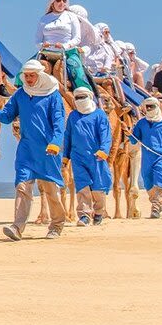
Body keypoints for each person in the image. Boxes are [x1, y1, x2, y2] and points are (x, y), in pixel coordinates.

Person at [0, 59, 66, 240]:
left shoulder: (53, 96)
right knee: (22, 186)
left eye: (32, 76)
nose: (29, 79)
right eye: (26, 76)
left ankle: (56, 225)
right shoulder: (20, 94)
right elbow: (7, 116)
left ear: (39, 75)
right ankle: (17, 227)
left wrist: (56, 142)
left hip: (48, 150)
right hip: (26, 149)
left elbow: (58, 123)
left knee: (50, 189)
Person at [62, 87, 112, 226]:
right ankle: (84, 215)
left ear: (89, 97)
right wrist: (66, 156)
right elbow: (68, 136)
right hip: (78, 157)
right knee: (82, 185)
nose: (80, 100)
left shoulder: (99, 115)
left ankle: (99, 212)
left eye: (83, 97)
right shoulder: (73, 116)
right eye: (77, 98)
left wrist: (104, 150)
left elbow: (105, 134)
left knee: (98, 187)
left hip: (96, 157)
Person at [128, 97, 162, 218]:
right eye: (148, 107)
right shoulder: (141, 123)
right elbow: (134, 139)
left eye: (152, 106)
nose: (150, 109)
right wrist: (128, 133)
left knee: (160, 179)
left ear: (157, 107)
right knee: (148, 183)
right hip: (147, 158)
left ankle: (156, 207)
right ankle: (156, 202)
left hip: (161, 157)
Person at [35, 0, 93, 91]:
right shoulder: (44, 19)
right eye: (58, 0)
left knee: (77, 73)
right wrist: (43, 45)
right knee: (25, 70)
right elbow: (37, 40)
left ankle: (85, 96)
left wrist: (64, 46)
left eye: (64, 1)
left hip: (67, 52)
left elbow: (77, 38)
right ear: (52, 2)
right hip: (47, 52)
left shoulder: (71, 16)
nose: (61, 3)